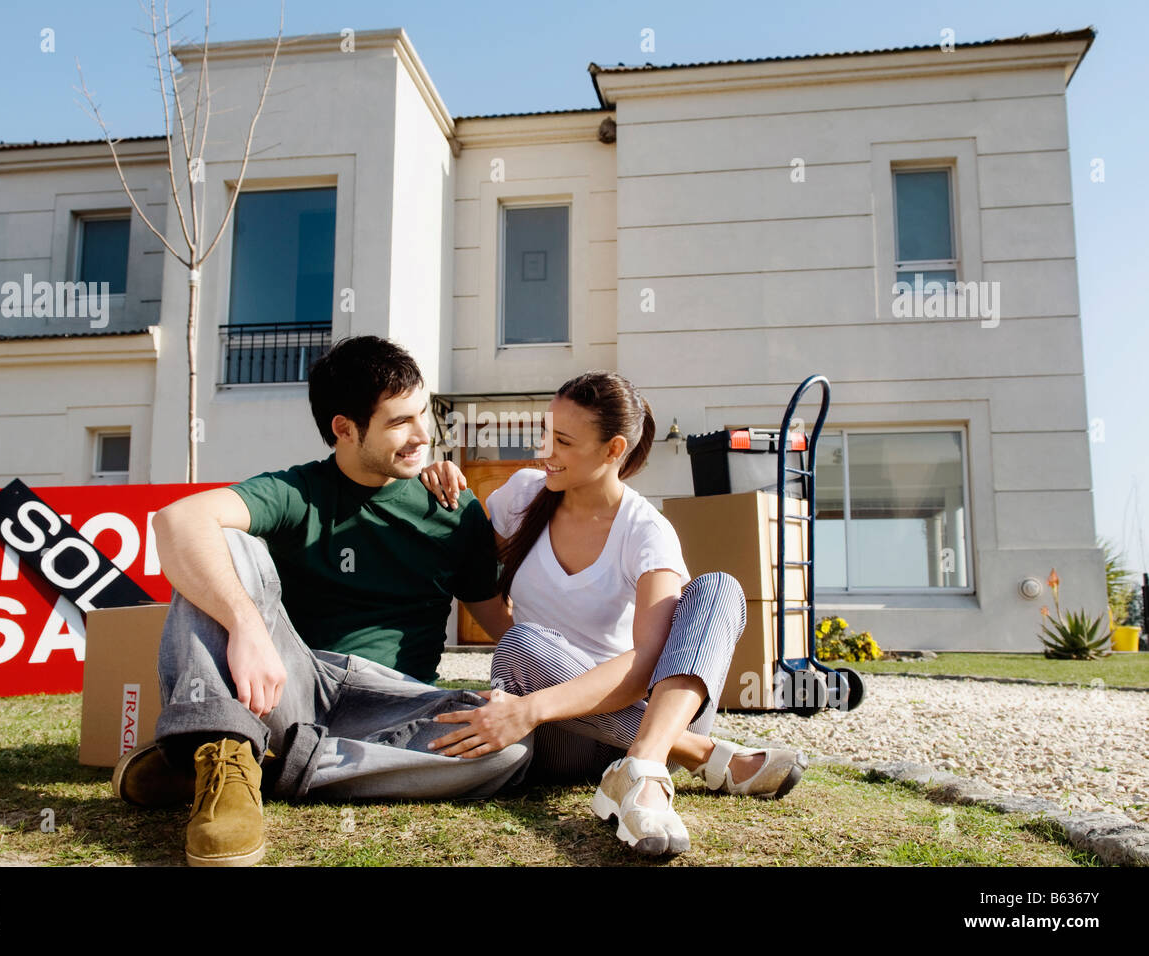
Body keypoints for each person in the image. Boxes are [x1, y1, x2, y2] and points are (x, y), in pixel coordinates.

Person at [111, 335, 532, 867]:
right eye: (400, 422)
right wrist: (246, 626)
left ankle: (247, 765)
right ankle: (224, 751)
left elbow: (501, 623)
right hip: (293, 685)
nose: (423, 435)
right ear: (345, 428)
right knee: (225, 543)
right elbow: (177, 520)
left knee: (508, 749)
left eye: (423, 414)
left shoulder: (453, 506)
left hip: (393, 702)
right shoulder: (300, 492)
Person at [417, 372, 808, 855]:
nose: (545, 450)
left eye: (562, 441)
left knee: (719, 588)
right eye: (546, 433)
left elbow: (645, 663)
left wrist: (528, 707)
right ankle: (698, 755)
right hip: (564, 735)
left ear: (612, 448)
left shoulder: (646, 531)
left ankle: (642, 765)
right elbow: (471, 573)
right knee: (523, 643)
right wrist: (438, 480)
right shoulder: (521, 496)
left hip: (649, 714)